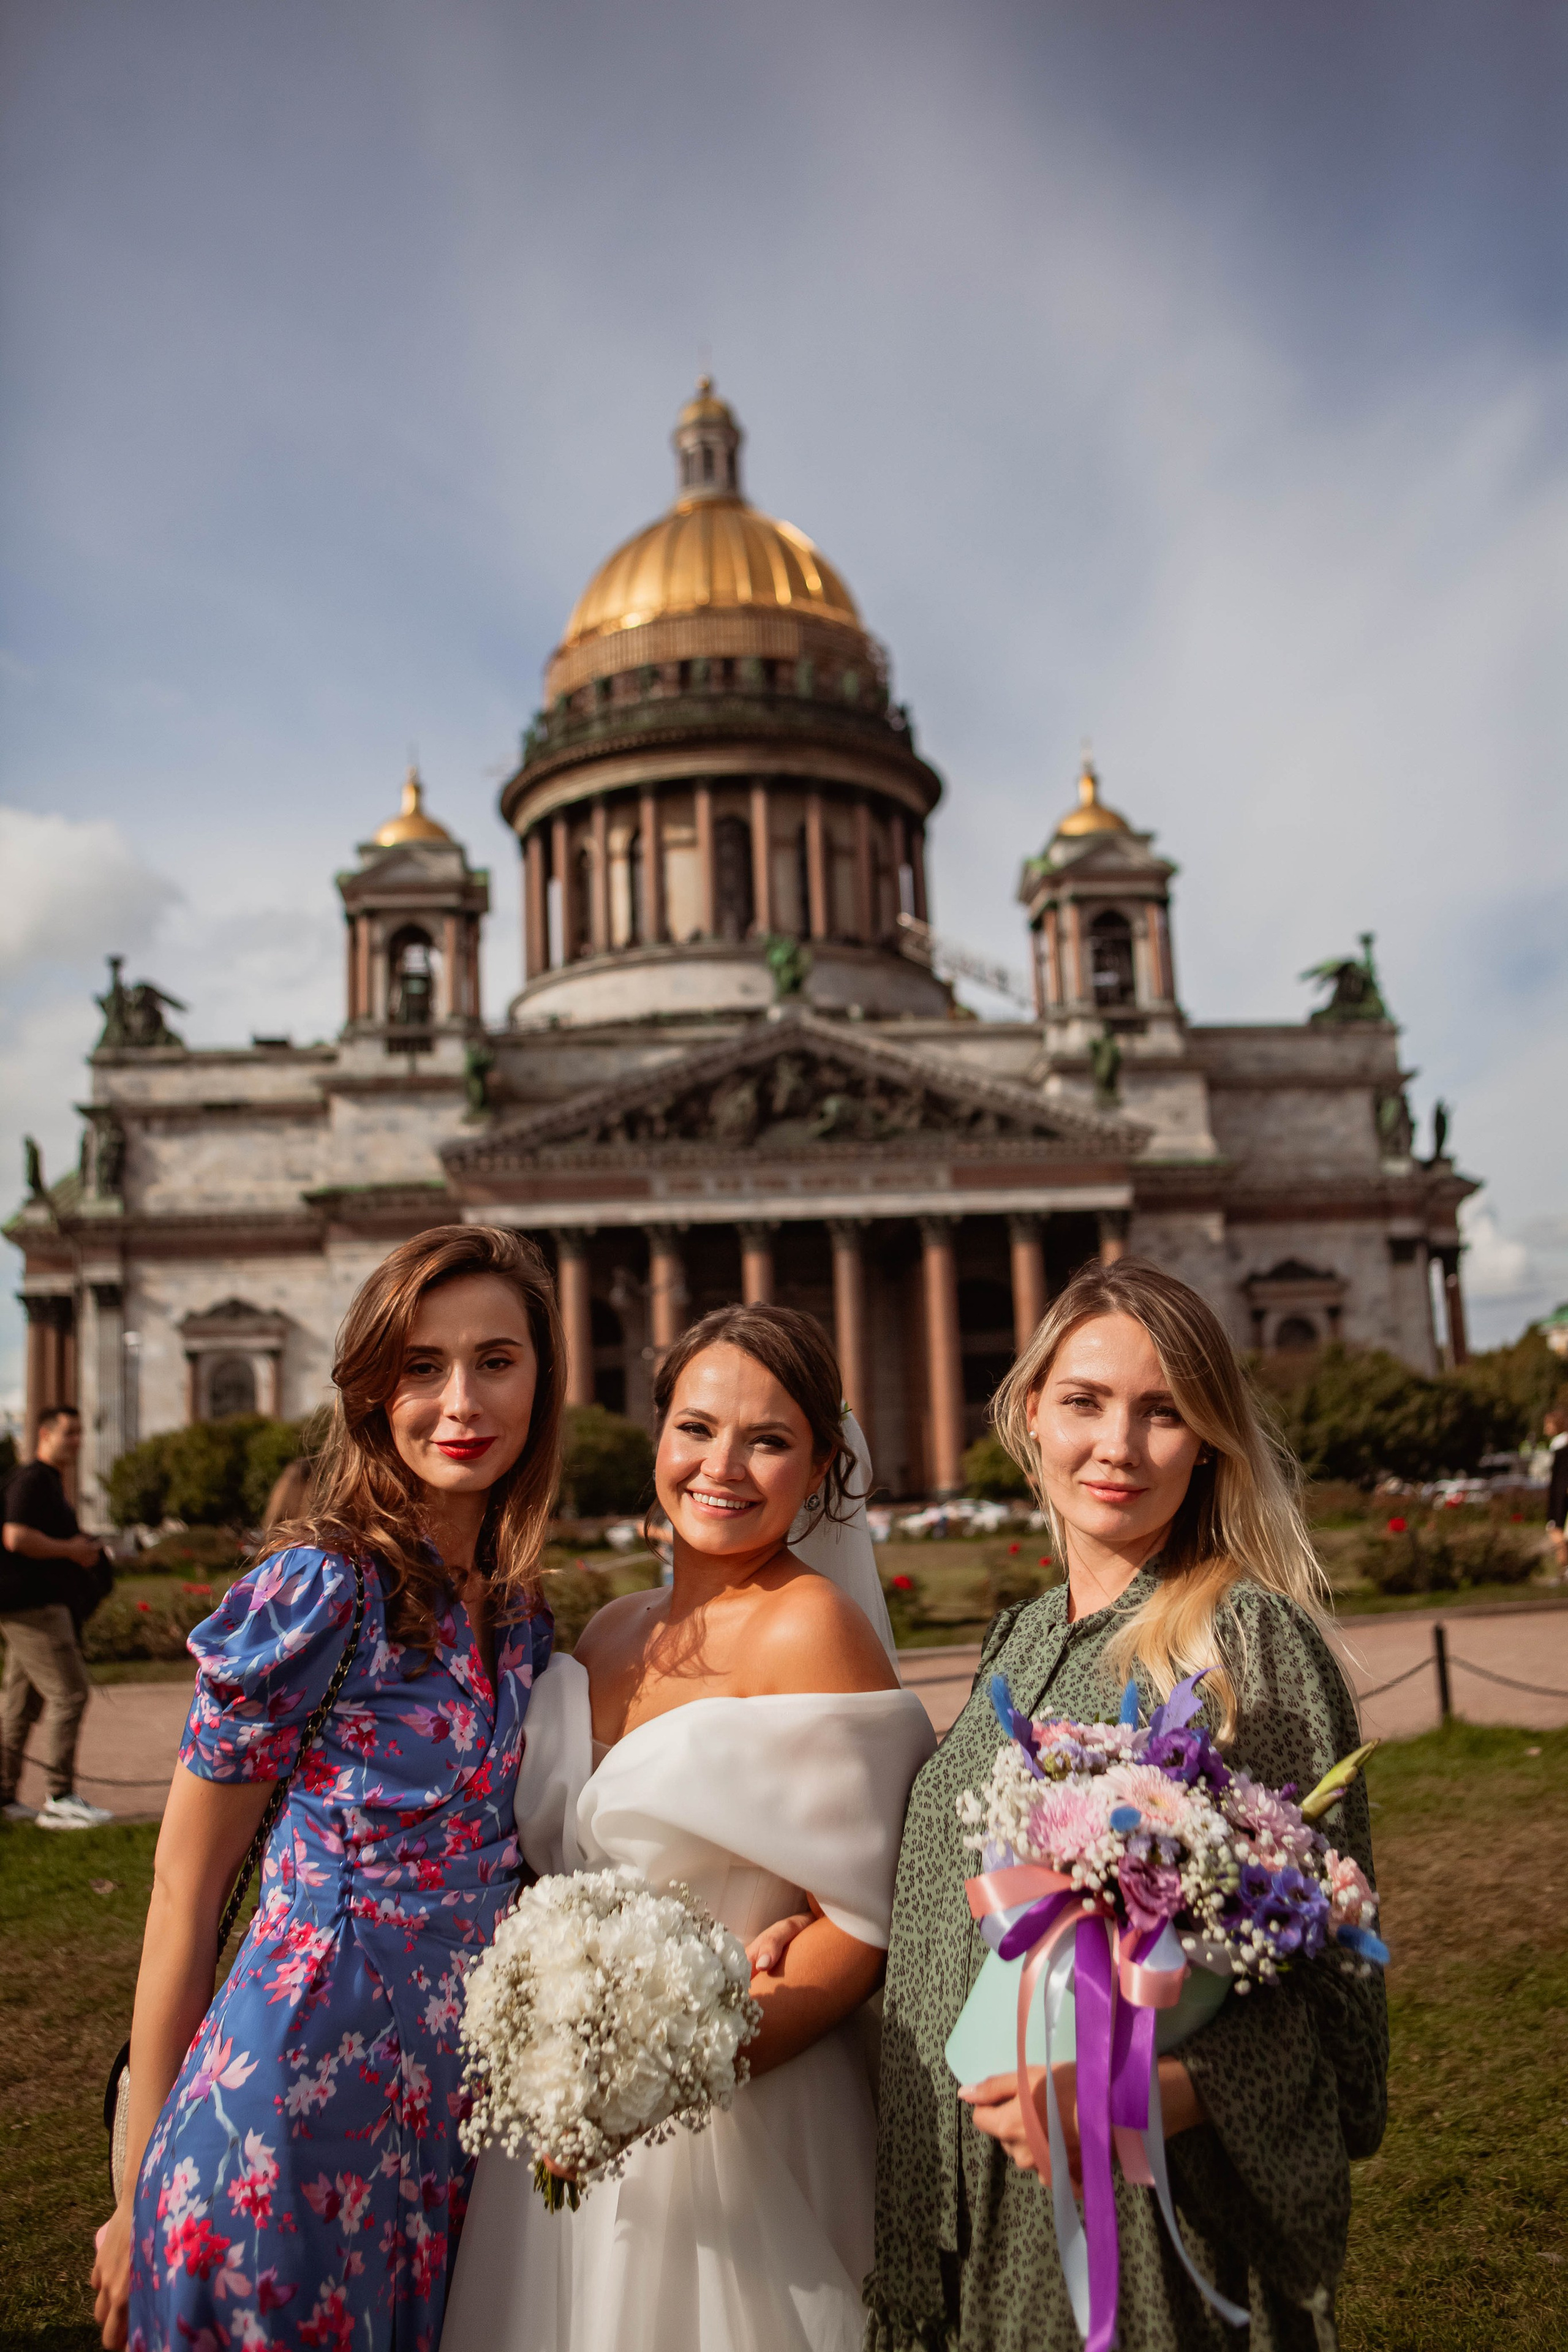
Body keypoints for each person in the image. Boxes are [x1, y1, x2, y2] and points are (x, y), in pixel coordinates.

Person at [865, 1258, 1388, 2352]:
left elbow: (1345, 2035)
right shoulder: (1017, 1641)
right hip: (956, 2223)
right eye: (1084, 1402)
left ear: (1209, 1441)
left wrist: (1135, 2093)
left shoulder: (1245, 1642)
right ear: (1028, 1413)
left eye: (1164, 1413)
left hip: (1133, 2238)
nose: (1117, 1446)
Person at [91, 1224, 568, 2352]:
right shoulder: (316, 1589)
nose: (461, 1401)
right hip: (282, 2131)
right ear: (369, 1391)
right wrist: (137, 2186)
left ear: (542, 1380)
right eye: (422, 1366)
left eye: (496, 1361)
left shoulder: (516, 1613)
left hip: (448, 2140)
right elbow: (183, 1891)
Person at [443, 1303, 937, 2352]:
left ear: (820, 1470)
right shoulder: (612, 1627)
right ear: (658, 1434)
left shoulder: (812, 1629)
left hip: (741, 2108)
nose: (725, 1465)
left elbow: (862, 1923)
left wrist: (674, 2073)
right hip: (564, 2102)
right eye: (698, 1428)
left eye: (770, 1441)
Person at [2, 1403, 115, 1828]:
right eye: (69, 1432)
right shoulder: (32, 1479)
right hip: (35, 1609)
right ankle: (59, 1795)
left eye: (80, 1433)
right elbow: (15, 1537)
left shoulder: (46, 1482)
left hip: (29, 1608)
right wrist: (72, 1550)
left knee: (20, 1703)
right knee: (70, 1694)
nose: (76, 1441)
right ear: (44, 1433)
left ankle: (5, 1795)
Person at [1544, 1399, 1568, 1581]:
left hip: (1561, 1496)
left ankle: (1565, 1569)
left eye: (1548, 1424)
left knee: (1557, 1531)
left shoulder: (1561, 1447)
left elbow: (1560, 1478)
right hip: (1559, 1494)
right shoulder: (1559, 1445)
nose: (1545, 1428)